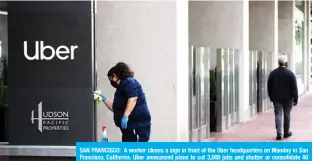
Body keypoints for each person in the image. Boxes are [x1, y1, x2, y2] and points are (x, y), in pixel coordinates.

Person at [95, 62, 151, 142]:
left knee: (137, 150)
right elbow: (116, 109)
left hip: (137, 124)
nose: (111, 83)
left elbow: (133, 99)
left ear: (114, 76)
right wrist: (104, 99)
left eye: (110, 80)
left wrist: (125, 116)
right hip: (129, 126)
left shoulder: (129, 82)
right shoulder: (121, 88)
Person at [267, 55, 298, 140]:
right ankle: (286, 132)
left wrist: (271, 97)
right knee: (287, 114)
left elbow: (269, 86)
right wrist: (295, 99)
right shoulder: (290, 74)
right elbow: (294, 88)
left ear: (278, 63)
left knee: (278, 115)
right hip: (288, 99)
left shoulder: (273, 73)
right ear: (286, 63)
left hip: (276, 98)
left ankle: (279, 134)